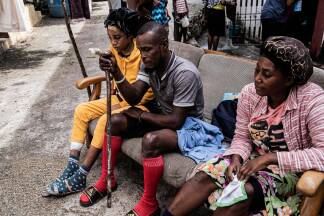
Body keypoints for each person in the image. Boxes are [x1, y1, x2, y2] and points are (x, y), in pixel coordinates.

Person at [162, 36, 324, 216]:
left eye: (266, 74)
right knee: (205, 176)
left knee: (241, 193)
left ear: (288, 80)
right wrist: (236, 157)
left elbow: (322, 154)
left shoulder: (313, 101)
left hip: (290, 169)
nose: (257, 79)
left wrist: (270, 158)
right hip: (252, 157)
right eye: (257, 70)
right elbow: (241, 136)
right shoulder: (250, 94)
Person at [83, 21, 205, 215]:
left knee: (151, 141)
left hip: (190, 128)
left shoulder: (185, 73)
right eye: (140, 50)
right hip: (164, 116)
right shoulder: (149, 64)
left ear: (164, 46)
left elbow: (176, 121)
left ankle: (150, 204)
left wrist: (141, 115)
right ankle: (107, 179)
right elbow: (134, 96)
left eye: (147, 49)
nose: (143, 55)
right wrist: (116, 72)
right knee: (113, 122)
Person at [42, 8, 153, 197]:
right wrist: (107, 71)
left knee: (104, 119)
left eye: (117, 37)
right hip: (118, 99)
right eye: (110, 37)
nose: (113, 42)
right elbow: (112, 80)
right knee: (82, 110)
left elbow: (143, 94)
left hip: (139, 105)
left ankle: (82, 174)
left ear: (131, 36)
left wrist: (118, 97)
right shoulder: (115, 50)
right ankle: (72, 163)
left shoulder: (142, 54)